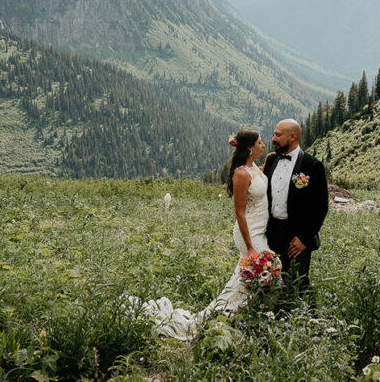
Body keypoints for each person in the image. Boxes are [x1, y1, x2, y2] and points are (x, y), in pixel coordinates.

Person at [136, 128, 269, 340]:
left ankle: (237, 315)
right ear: (249, 148)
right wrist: (250, 246)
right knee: (249, 277)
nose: (264, 145)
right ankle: (223, 318)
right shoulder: (241, 173)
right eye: (260, 143)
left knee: (245, 279)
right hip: (250, 233)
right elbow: (240, 213)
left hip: (260, 230)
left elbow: (259, 187)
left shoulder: (253, 168)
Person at [263, 118, 328, 291]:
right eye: (274, 134)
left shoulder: (312, 165)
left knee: (297, 284)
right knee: (268, 281)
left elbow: (320, 207)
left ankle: (305, 315)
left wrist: (304, 238)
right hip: (271, 232)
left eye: (278, 135)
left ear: (292, 137)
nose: (273, 139)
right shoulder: (270, 161)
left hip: (297, 236)